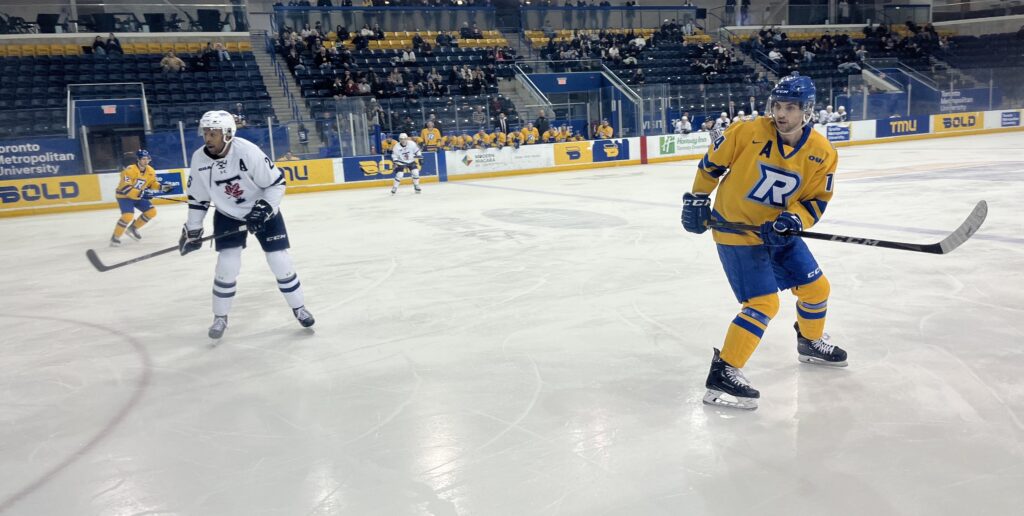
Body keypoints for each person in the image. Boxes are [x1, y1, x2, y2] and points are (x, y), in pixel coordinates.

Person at [680, 75, 847, 410]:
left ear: (807, 111)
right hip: (737, 232)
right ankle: (722, 374)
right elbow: (711, 165)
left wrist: (794, 219)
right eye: (777, 106)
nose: (781, 114)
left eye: (790, 107)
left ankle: (810, 343)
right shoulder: (747, 132)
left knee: (817, 289)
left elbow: (815, 200)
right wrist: (697, 199)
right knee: (763, 303)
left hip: (779, 232)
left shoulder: (822, 152)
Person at [179, 110, 315, 339]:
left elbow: (276, 184)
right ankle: (220, 317)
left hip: (263, 211)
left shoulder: (247, 152)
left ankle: (299, 308)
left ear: (228, 134)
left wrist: (263, 209)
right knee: (227, 265)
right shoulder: (198, 159)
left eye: (214, 133)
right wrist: (193, 229)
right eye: (206, 133)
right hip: (228, 214)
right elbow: (198, 198)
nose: (208, 138)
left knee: (279, 260)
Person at [110, 150, 171, 246]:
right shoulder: (130, 170)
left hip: (137, 195)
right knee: (128, 216)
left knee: (152, 211)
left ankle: (133, 228)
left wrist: (161, 187)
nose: (146, 161)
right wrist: (141, 194)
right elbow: (125, 188)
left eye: (147, 159)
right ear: (138, 159)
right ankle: (115, 237)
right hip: (124, 196)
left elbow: (151, 183)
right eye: (143, 159)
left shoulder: (150, 170)